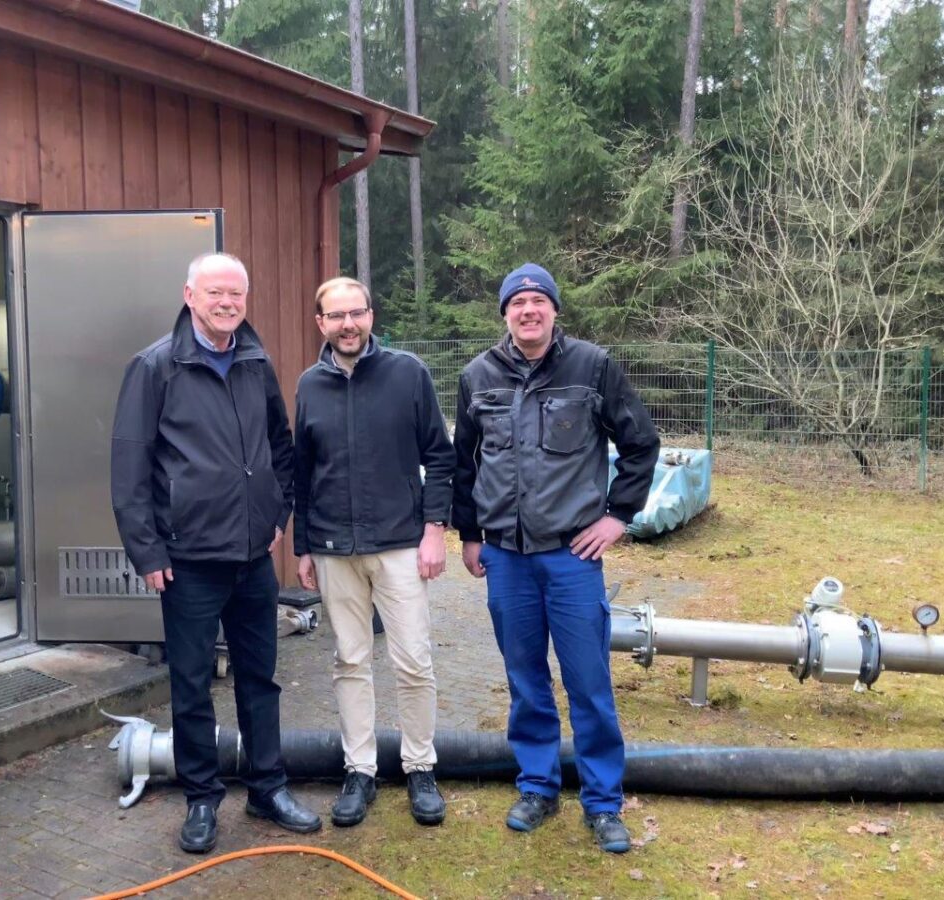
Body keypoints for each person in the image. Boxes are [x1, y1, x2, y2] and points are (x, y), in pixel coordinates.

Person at [110, 252, 321, 855]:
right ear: (189, 296)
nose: (227, 303)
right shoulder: (156, 366)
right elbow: (129, 466)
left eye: (236, 294)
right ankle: (201, 799)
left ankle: (267, 788)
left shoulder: (255, 361)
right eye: (215, 293)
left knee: (260, 680)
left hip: (253, 560)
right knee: (192, 684)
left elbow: (280, 445)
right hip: (188, 562)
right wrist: (147, 551)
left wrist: (277, 514)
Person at [451, 263, 660, 853]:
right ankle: (538, 786)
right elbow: (464, 462)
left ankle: (603, 802)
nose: (528, 311)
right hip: (506, 558)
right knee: (525, 680)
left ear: (554, 310)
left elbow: (641, 443)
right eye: (517, 304)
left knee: (588, 681)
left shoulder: (592, 367)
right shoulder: (477, 377)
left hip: (571, 556)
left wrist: (618, 516)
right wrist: (469, 533)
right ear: (504, 314)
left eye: (538, 301)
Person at [293, 276, 454, 827]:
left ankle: (420, 767)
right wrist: (304, 546)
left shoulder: (407, 373)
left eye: (356, 313)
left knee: (413, 660)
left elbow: (440, 455)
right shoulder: (309, 386)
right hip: (333, 548)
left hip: (400, 544)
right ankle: (359, 770)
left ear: (370, 315)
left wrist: (434, 530)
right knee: (350, 661)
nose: (348, 325)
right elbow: (303, 473)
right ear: (321, 323)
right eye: (336, 316)